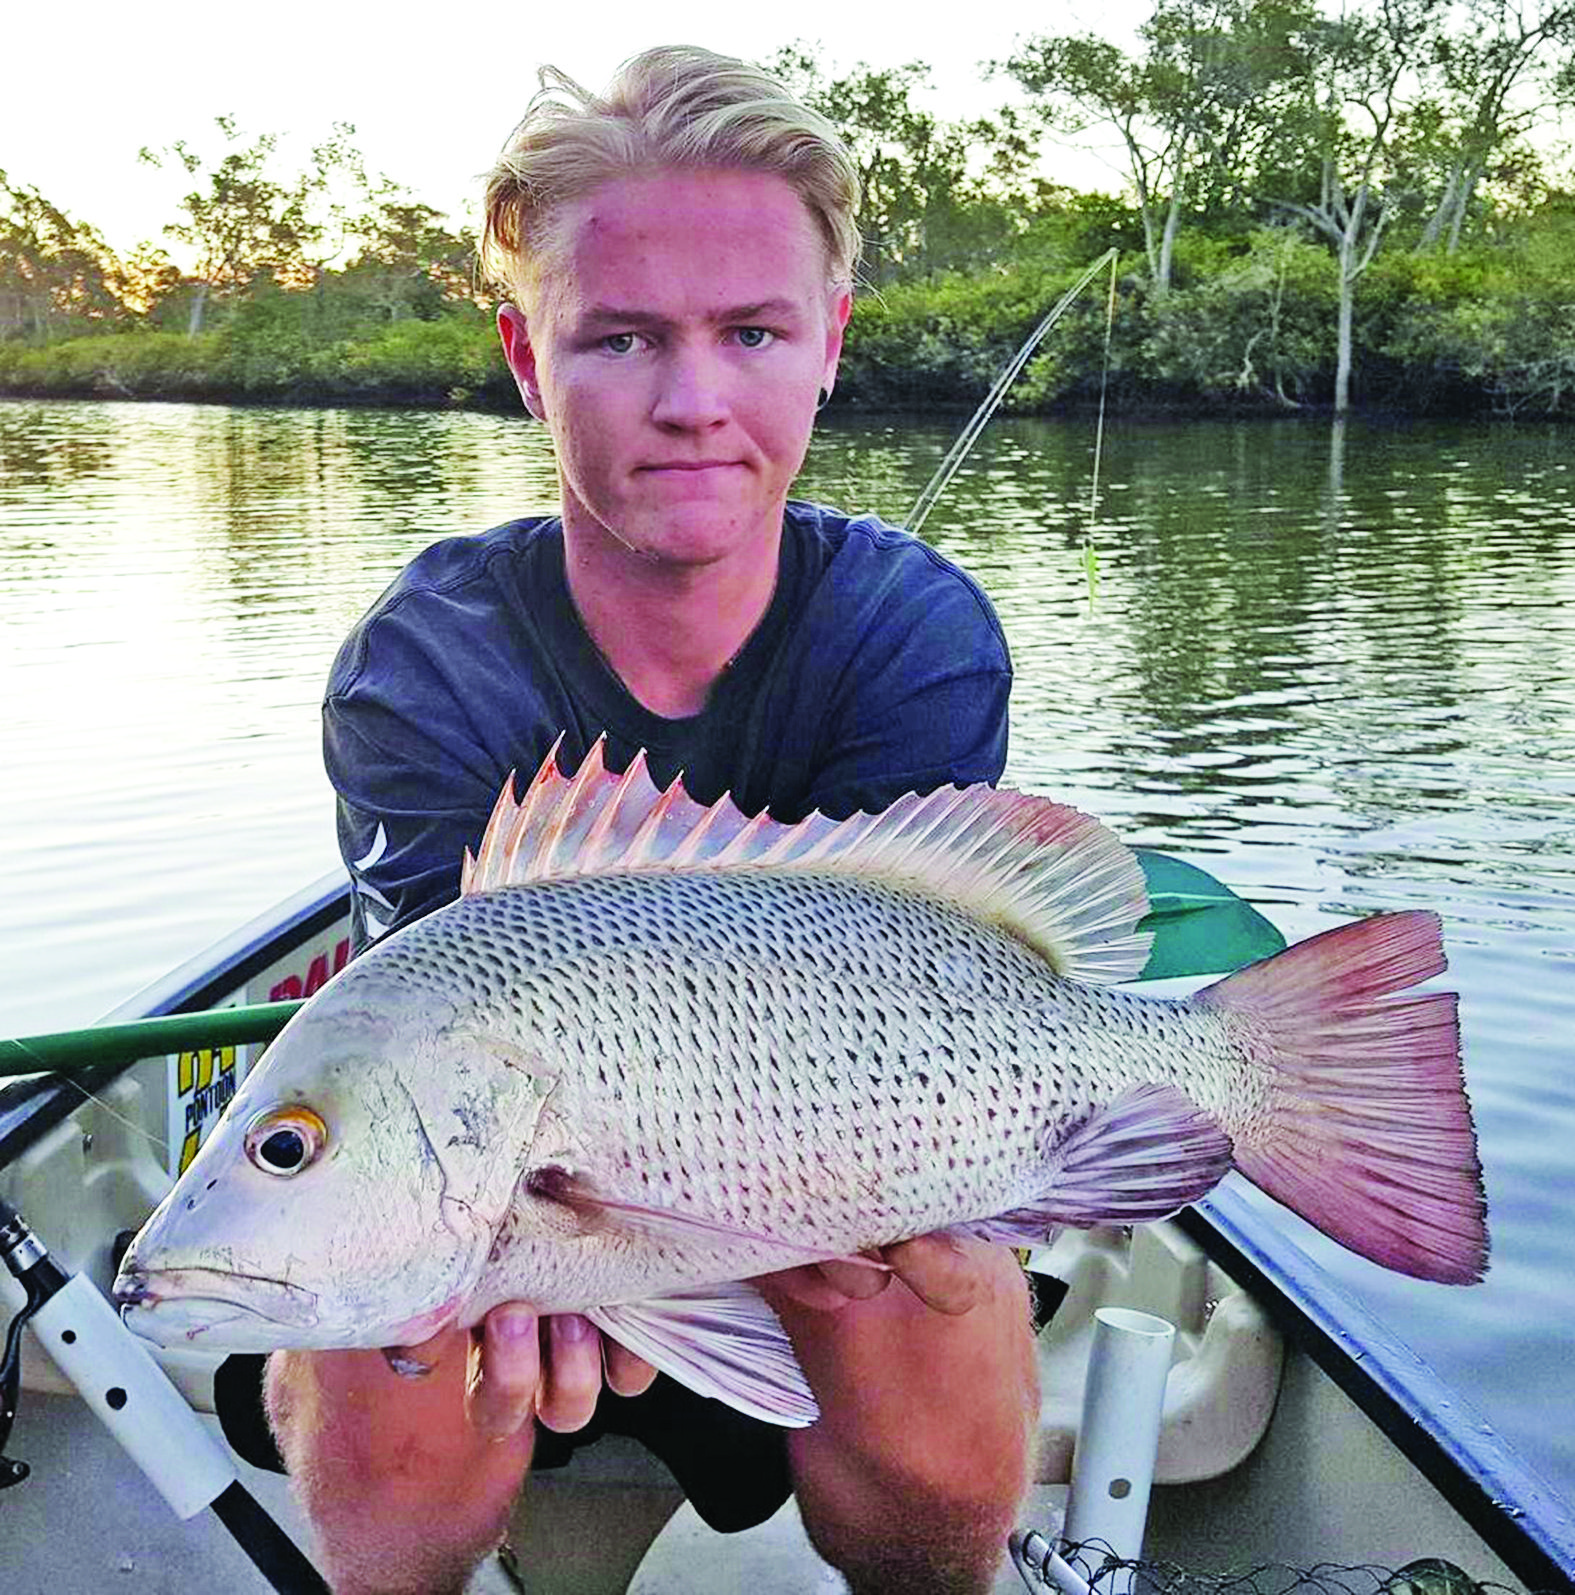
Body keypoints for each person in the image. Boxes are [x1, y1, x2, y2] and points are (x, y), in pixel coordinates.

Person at [256, 45, 1038, 1595]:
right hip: (529, 1192)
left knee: (933, 1303)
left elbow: (924, 986)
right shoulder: (423, 666)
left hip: (819, 1190)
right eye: (618, 337)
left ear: (829, 347)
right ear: (526, 358)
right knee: (395, 1342)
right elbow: (445, 1053)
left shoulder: (913, 632)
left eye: (751, 331)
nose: (692, 401)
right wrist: (551, 1251)